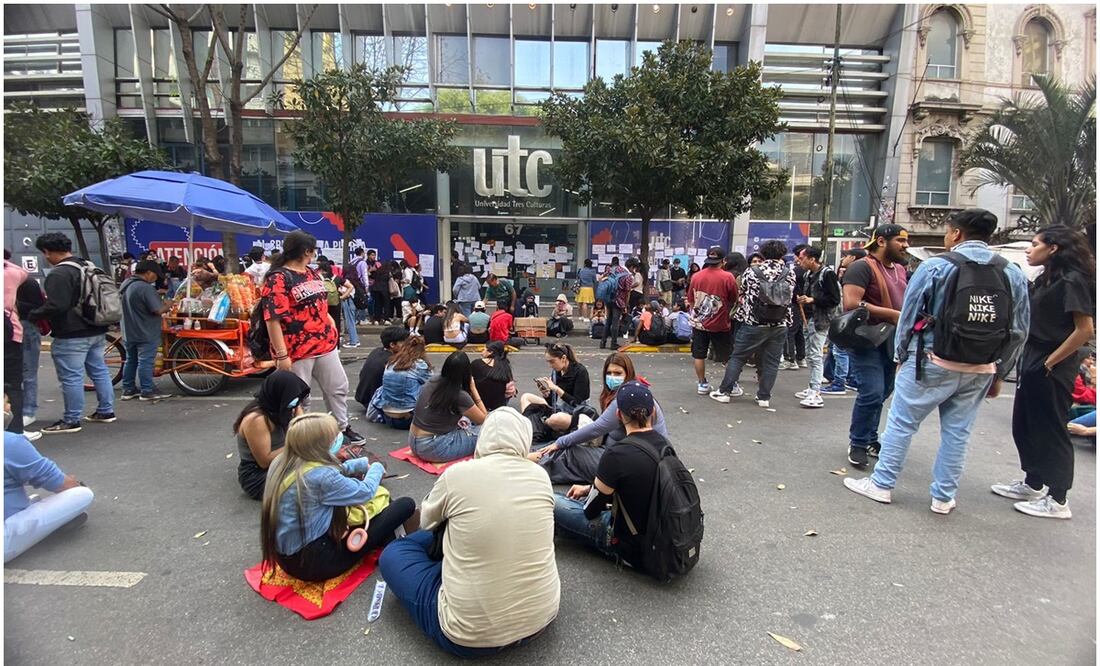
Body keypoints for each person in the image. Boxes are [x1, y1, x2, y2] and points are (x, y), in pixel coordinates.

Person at [844, 209, 1030, 514]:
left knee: (902, 423)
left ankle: (882, 484)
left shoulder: (936, 267)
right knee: (958, 432)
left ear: (956, 234)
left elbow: (908, 316)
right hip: (981, 366)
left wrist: (901, 357)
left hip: (930, 360)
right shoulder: (1012, 272)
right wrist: (999, 373)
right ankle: (943, 497)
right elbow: (1019, 330)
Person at [379, 407, 559, 658]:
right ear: (524, 439)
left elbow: (428, 523)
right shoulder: (540, 476)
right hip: (542, 617)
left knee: (395, 553)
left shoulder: (458, 474)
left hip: (468, 637)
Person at [993, 225, 1095, 519]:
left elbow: (1084, 329)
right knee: (1026, 423)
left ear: (1053, 248)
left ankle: (1058, 498)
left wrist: (1051, 361)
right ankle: (1033, 482)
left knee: (1051, 428)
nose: (1029, 249)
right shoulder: (1049, 277)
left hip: (1053, 359)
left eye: (1035, 244)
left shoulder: (1074, 280)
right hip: (1033, 354)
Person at [554, 381, 692, 576]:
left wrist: (593, 491)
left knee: (553, 501)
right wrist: (587, 488)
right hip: (669, 536)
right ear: (653, 412)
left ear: (618, 414)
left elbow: (590, 510)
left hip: (633, 545)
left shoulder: (617, 454)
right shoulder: (665, 445)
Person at [260, 413, 418, 582]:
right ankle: (391, 538)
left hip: (285, 558)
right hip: (315, 563)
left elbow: (330, 470)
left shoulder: (281, 462)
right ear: (318, 445)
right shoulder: (321, 477)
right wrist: (377, 468)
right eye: (333, 438)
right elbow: (365, 491)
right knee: (405, 505)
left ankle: (388, 536)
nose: (338, 440)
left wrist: (359, 464)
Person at [261, 230, 365, 445]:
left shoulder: (311, 272)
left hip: (324, 343)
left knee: (338, 387)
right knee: (300, 398)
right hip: (296, 349)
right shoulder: (278, 278)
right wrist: (281, 355)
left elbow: (321, 303)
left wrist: (329, 321)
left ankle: (341, 428)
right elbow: (272, 319)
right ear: (306, 251)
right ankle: (302, 438)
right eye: (313, 250)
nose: (315, 253)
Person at [30, 233, 115, 435]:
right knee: (99, 371)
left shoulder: (59, 274)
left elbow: (57, 305)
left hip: (71, 333)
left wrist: (33, 314)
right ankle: (106, 410)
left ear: (47, 252)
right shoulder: (87, 265)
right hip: (97, 328)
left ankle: (71, 419)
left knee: (71, 377)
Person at [841, 224, 910, 469]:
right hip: (866, 340)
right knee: (871, 391)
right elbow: (851, 303)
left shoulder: (900, 269)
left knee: (883, 392)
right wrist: (892, 314)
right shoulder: (862, 267)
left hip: (893, 341)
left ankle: (870, 437)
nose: (905, 246)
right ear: (881, 241)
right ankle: (858, 442)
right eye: (900, 241)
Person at [533, 352, 668, 464]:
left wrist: (560, 443)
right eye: (609, 373)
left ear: (628, 373)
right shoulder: (631, 390)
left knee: (569, 453)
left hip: (634, 460)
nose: (612, 377)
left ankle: (533, 461)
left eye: (618, 373)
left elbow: (597, 428)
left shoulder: (626, 397)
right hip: (624, 452)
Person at [4, 396, 94, 562]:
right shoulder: (9, 442)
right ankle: (53, 525)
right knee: (82, 494)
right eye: (5, 402)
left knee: (33, 499)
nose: (9, 407)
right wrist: (75, 485)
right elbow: (58, 482)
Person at [709, 240, 795, 409]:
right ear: (782, 254)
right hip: (780, 323)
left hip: (753, 322)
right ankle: (764, 397)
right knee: (771, 362)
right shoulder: (789, 273)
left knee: (738, 357)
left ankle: (725, 392)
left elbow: (742, 292)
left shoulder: (752, 271)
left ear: (763, 254)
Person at [234, 371, 310, 500]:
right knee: (314, 481)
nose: (296, 404)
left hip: (284, 463)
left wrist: (298, 414)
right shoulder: (257, 420)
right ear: (280, 395)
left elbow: (304, 430)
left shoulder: (284, 408)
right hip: (258, 475)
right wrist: (296, 443)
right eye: (293, 399)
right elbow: (264, 461)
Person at [408, 352, 488, 462]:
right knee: (488, 431)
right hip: (434, 448)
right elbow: (484, 420)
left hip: (414, 441)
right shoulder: (460, 395)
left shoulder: (433, 380)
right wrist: (473, 389)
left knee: (467, 419)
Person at [685, 246, 739, 395]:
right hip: (720, 323)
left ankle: (702, 384)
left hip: (699, 323)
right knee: (728, 356)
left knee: (699, 355)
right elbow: (734, 299)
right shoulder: (728, 277)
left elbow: (690, 299)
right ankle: (732, 385)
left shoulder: (696, 276)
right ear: (723, 260)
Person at [793, 247, 841, 408]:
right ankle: (812, 387)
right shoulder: (808, 274)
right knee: (811, 354)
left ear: (812, 259)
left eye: (802, 258)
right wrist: (804, 299)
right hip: (809, 318)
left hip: (821, 320)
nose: (799, 261)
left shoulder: (827, 274)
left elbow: (834, 299)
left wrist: (812, 300)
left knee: (815, 354)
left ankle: (815, 391)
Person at [119, 260, 172, 401]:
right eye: (155, 275)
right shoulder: (144, 288)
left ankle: (128, 389)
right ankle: (147, 390)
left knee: (131, 360)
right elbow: (158, 310)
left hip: (128, 330)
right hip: (145, 330)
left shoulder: (126, 284)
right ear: (148, 273)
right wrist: (169, 305)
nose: (156, 278)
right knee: (146, 361)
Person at [822, 249, 867, 395]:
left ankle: (839, 383)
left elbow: (848, 301)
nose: (843, 259)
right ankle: (851, 380)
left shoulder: (854, 273)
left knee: (840, 351)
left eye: (846, 256)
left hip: (848, 318)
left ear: (853, 257)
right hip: (854, 318)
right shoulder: (863, 272)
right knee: (845, 351)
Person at [367, 336, 432, 429]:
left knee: (383, 388)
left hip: (387, 417)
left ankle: (373, 414)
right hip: (408, 418)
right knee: (429, 389)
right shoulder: (419, 365)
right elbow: (432, 383)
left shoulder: (391, 362)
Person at [4, 252, 33, 439]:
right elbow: (22, 272)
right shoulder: (11, 273)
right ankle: (15, 432)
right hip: (9, 332)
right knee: (12, 384)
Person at [15, 268, 45, 429]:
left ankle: (28, 411)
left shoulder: (25, 281)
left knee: (27, 372)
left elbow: (38, 307)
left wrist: (14, 304)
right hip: (20, 325)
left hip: (25, 326)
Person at [355, 326, 410, 410]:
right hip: (375, 403)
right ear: (392, 345)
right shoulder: (393, 361)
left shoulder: (377, 351)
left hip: (363, 397)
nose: (407, 345)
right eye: (403, 342)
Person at [782, 244, 809, 371]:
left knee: (790, 332)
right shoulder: (809, 271)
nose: (794, 258)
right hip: (803, 304)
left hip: (794, 303)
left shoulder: (796, 271)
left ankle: (790, 359)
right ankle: (800, 357)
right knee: (798, 331)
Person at [597, 257, 632, 350]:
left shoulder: (609, 271)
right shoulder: (626, 274)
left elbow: (600, 279)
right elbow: (628, 291)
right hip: (619, 300)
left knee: (608, 320)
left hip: (608, 299)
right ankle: (613, 343)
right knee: (615, 322)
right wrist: (625, 304)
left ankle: (603, 342)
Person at [471, 341, 515, 411]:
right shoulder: (505, 364)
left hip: (481, 402)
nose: (481, 352)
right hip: (499, 404)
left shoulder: (477, 363)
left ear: (490, 352)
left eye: (484, 349)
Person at [368, 254, 391, 325]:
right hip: (384, 290)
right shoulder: (387, 273)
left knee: (377, 304)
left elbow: (371, 276)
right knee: (386, 304)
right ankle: (385, 318)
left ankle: (377, 319)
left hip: (376, 289)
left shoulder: (377, 271)